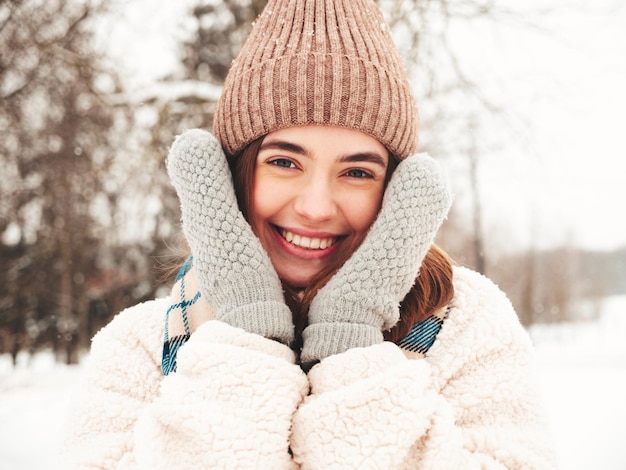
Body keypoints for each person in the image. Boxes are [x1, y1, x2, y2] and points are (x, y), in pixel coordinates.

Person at [58, 0, 556, 468]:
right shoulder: (141, 347)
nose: (316, 207)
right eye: (283, 162)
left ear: (398, 193)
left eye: (357, 172)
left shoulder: (465, 327)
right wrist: (246, 335)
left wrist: (353, 344)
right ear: (231, 175)